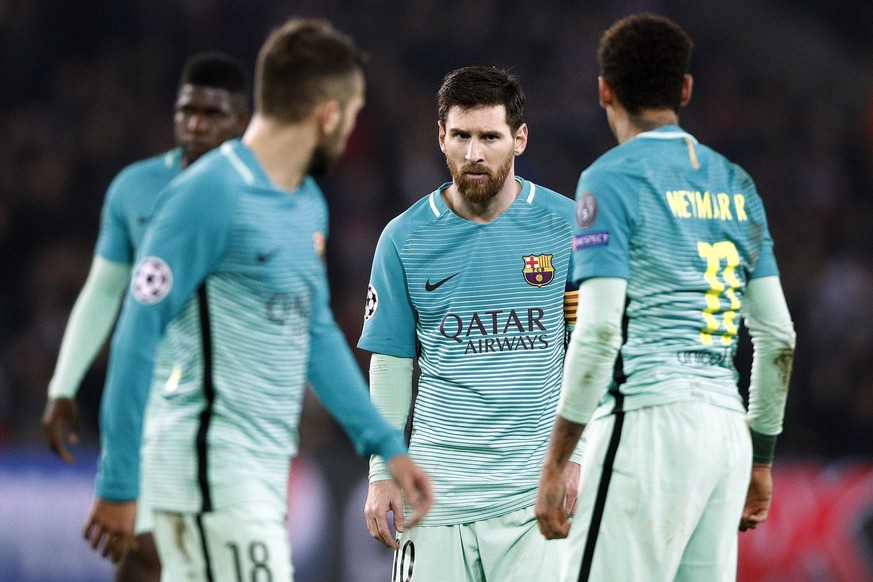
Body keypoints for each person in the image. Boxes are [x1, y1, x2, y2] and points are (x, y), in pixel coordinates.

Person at [82, 18, 433, 582]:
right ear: (327, 113)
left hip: (261, 476)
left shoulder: (306, 203)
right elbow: (135, 332)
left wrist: (387, 444)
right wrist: (119, 482)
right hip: (208, 474)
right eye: (351, 111)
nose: (350, 130)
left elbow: (313, 330)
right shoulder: (209, 193)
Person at [535, 13, 796, 582]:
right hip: (725, 436)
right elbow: (778, 337)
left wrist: (557, 460)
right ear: (685, 90)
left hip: (644, 426)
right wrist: (762, 456)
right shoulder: (737, 185)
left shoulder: (610, 179)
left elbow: (600, 330)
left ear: (604, 89)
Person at [359, 65, 580, 581]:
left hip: (535, 499)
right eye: (460, 136)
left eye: (490, 137)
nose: (474, 153)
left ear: (519, 139)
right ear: (441, 137)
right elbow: (390, 367)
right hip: (434, 500)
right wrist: (380, 472)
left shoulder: (568, 227)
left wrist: (580, 456)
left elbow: (592, 350)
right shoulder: (403, 239)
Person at [42, 51, 251, 582]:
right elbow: (103, 290)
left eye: (213, 114)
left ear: (241, 120)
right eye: (187, 111)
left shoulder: (269, 196)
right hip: (150, 399)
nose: (197, 124)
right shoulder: (134, 188)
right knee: (139, 551)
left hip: (232, 411)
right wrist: (63, 384)